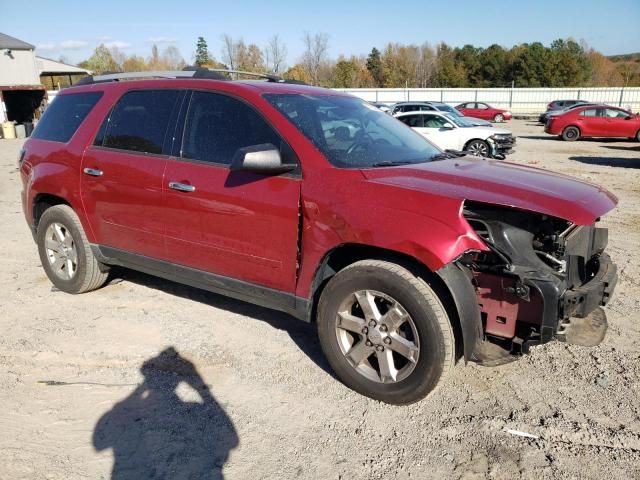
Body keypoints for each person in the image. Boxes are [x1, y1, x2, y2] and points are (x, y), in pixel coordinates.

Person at [93, 347, 238, 479]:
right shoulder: (193, 409)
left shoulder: (187, 409)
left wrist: (140, 390)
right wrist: (202, 389)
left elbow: (99, 443)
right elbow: (232, 440)